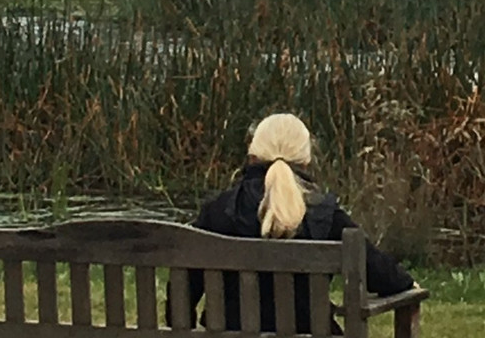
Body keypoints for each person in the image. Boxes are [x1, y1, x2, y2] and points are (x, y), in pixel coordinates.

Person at [167, 113, 415, 333]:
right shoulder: (326, 215)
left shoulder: (217, 212)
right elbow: (382, 276)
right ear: (306, 162)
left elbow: (181, 293)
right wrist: (406, 283)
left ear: (252, 155)